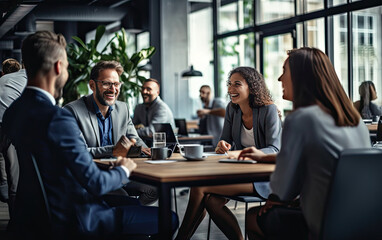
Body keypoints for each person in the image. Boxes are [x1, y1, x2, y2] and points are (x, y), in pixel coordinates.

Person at [3, 31, 178, 238]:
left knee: (131, 205)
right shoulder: (59, 119)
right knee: (170, 217)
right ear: (59, 67)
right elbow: (95, 182)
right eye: (67, 67)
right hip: (76, 217)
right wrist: (123, 169)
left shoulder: (14, 112)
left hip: (37, 215)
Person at [242, 47, 370, 240]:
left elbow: (283, 189)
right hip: (363, 222)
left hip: (322, 225)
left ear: (301, 77)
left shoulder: (301, 119)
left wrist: (277, 199)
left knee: (253, 217)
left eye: (284, 71)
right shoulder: (356, 121)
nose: (279, 79)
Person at [175, 67, 282, 240]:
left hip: (264, 178)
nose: (231, 89)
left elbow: (275, 149)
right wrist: (222, 146)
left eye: (237, 84)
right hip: (239, 172)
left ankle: (181, 237)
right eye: (229, 84)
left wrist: (238, 153)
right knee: (212, 201)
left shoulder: (268, 110)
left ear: (252, 87)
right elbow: (224, 141)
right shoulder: (233, 109)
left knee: (199, 186)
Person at [64, 60, 157, 205]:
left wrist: (144, 149)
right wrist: (113, 150)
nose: (113, 89)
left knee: (154, 190)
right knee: (123, 199)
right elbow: (79, 153)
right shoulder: (72, 111)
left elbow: (134, 138)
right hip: (93, 176)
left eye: (116, 84)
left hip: (120, 170)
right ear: (92, 85)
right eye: (107, 83)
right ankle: (122, 216)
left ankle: (123, 217)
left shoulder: (123, 109)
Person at [0, 65, 27, 217]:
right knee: (15, 176)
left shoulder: (4, 79)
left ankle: (3, 185)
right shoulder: (32, 81)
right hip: (9, 127)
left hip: (4, 126)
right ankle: (15, 221)